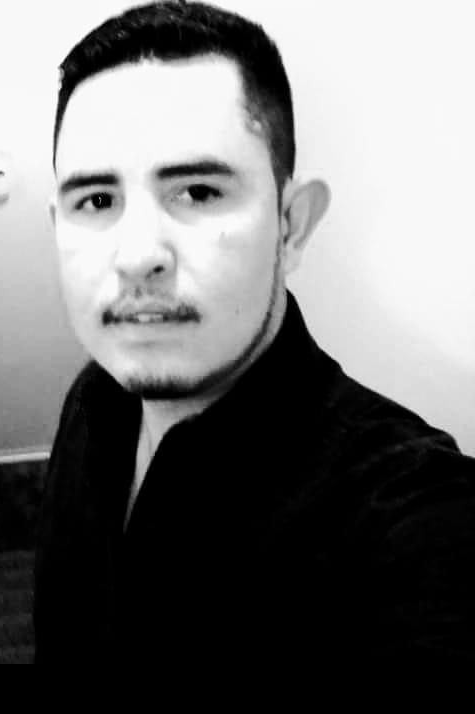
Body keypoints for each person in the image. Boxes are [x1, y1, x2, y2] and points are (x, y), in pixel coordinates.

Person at [34, 0, 475, 665]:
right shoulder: (91, 403)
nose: (137, 256)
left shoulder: (414, 517)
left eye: (198, 192)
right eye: (96, 201)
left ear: (291, 227)